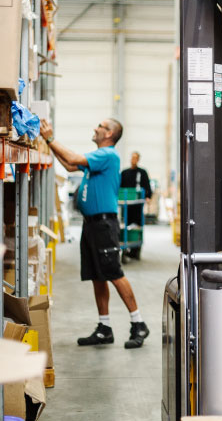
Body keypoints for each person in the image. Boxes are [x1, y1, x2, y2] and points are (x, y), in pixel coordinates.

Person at [40, 118, 150, 349]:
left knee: (114, 273)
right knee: (97, 276)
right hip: (91, 225)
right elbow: (70, 166)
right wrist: (47, 142)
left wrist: (50, 137)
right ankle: (104, 327)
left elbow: (72, 159)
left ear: (109, 134)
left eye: (100, 126)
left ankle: (138, 323)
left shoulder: (108, 155)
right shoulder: (97, 159)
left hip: (103, 225)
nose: (95, 128)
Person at [120, 151, 152, 226]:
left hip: (138, 202)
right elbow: (120, 186)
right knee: (127, 220)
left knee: (138, 221)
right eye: (133, 158)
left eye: (136, 158)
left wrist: (148, 196)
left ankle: (137, 235)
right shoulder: (124, 173)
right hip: (127, 201)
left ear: (138, 160)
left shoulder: (142, 172)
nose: (134, 160)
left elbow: (147, 185)